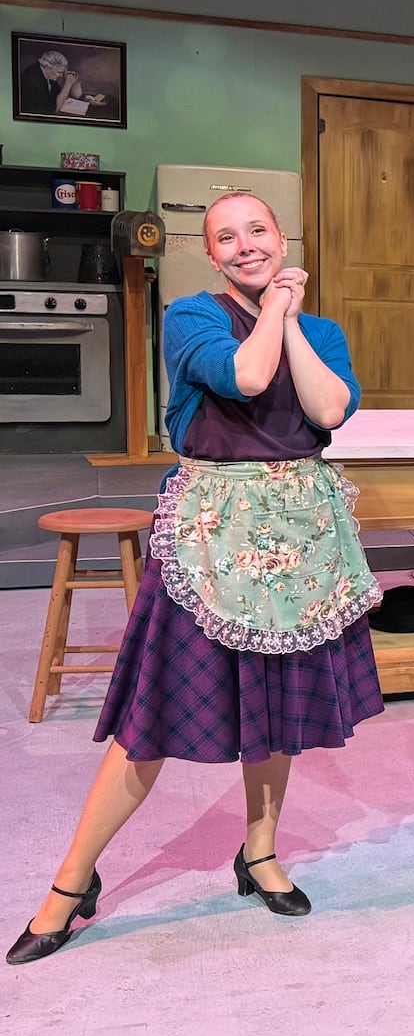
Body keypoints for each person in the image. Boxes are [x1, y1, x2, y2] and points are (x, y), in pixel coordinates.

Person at [7, 193, 384, 966]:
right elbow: (246, 378)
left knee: (276, 711)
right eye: (227, 238)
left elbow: (329, 406)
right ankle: (72, 882)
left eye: (259, 231)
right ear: (211, 255)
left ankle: (260, 851)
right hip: (212, 536)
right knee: (152, 721)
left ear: (284, 239)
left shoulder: (323, 332)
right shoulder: (190, 317)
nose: (246, 246)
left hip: (298, 534)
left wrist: (290, 315)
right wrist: (277, 308)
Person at [18, 49, 108, 117]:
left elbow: (65, 96)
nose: (61, 76)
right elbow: (53, 109)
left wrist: (75, 83)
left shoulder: (48, 75)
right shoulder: (32, 80)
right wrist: (68, 84)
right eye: (59, 72)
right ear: (48, 67)